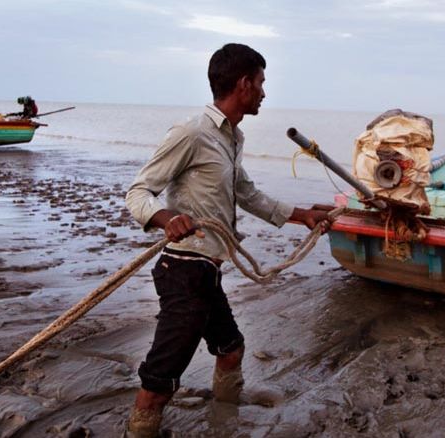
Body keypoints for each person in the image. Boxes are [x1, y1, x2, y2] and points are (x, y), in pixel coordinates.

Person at [123, 43, 329, 437]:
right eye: (262, 83)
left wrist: (301, 216)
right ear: (244, 84)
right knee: (159, 383)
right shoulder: (191, 133)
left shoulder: (232, 139)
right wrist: (166, 217)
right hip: (183, 271)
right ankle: (140, 429)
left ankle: (225, 421)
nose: (265, 93)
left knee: (231, 350)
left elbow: (248, 194)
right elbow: (138, 192)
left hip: (208, 272)